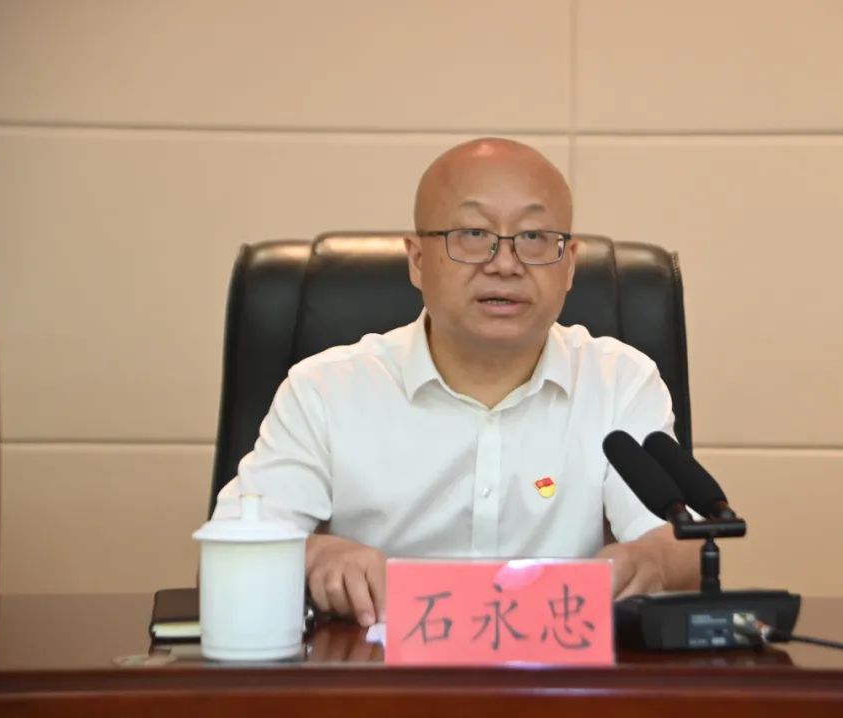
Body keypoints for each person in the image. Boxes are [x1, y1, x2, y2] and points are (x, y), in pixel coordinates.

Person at [213, 138, 699, 627]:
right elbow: (228, 553)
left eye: (534, 236)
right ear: (417, 259)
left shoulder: (619, 381)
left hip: (559, 666)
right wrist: (315, 556)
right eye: (473, 234)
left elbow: (683, 545)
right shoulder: (325, 389)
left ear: (569, 263)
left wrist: (650, 562)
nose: (505, 264)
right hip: (375, 668)